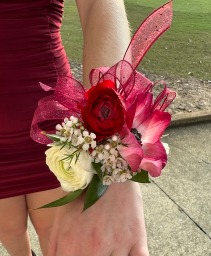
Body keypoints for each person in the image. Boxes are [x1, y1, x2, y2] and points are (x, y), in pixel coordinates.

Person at [0, 0, 149, 255]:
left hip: (52, 122)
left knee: (58, 234)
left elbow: (98, 4)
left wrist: (110, 160)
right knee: (9, 228)